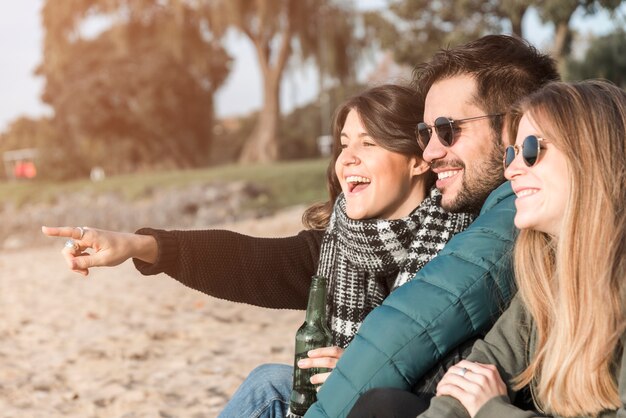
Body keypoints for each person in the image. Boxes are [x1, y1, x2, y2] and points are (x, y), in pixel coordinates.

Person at [42, 84, 474, 417]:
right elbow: (246, 262)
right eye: (344, 144)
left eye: (368, 143)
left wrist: (366, 367)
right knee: (270, 383)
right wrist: (138, 245)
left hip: (403, 408)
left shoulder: (461, 250)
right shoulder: (339, 246)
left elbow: (460, 372)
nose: (347, 160)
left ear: (419, 159)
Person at [304, 35, 560, 418]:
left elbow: (411, 326)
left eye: (447, 129)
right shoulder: (487, 212)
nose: (429, 151)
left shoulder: (515, 218)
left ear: (510, 128)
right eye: (425, 133)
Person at [417, 80, 626, 417]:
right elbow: (477, 373)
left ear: (591, 153)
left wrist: (490, 409)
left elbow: (480, 397)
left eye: (530, 149)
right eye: (510, 153)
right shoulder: (548, 276)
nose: (511, 170)